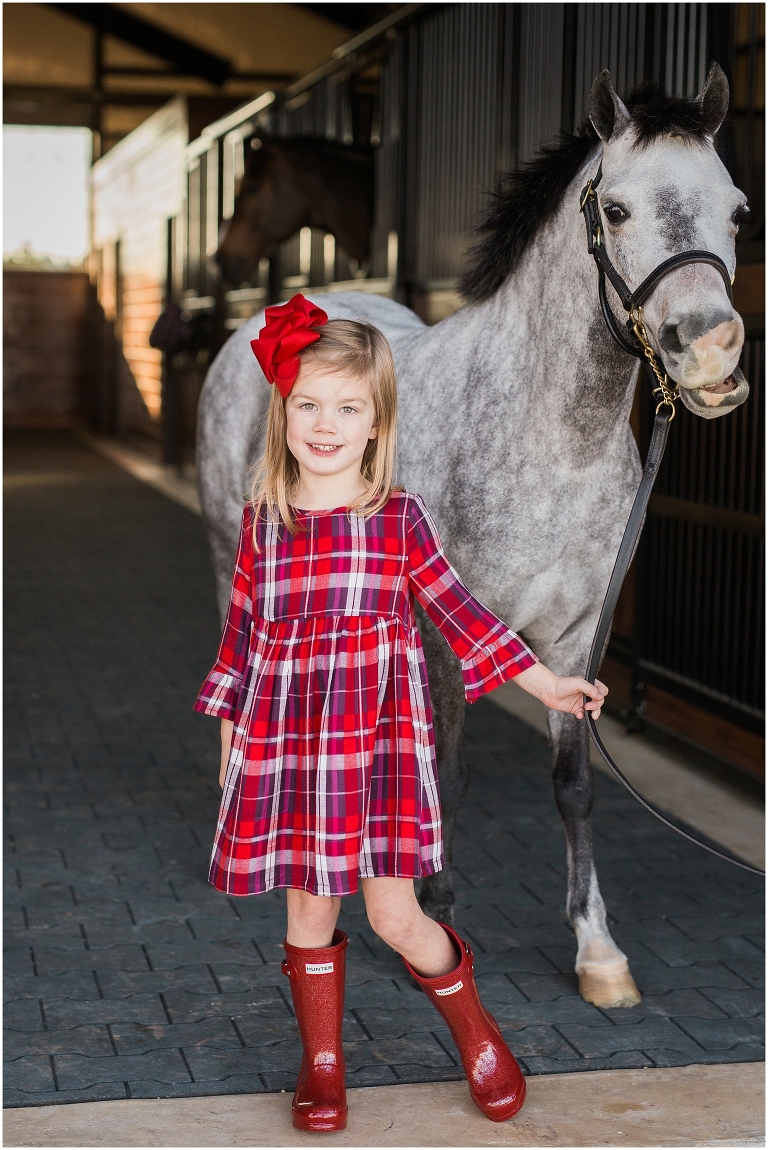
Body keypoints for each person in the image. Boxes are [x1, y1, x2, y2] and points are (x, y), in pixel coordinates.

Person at [194, 294, 607, 1132]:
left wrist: (548, 686)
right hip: (292, 759)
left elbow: (465, 617)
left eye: (347, 408)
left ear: (377, 424)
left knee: (395, 914)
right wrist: (232, 753)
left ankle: (479, 1034)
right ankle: (320, 1066)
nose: (325, 424)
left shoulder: (397, 521)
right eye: (307, 405)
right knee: (308, 912)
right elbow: (239, 649)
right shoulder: (264, 527)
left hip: (377, 754)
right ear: (283, 414)